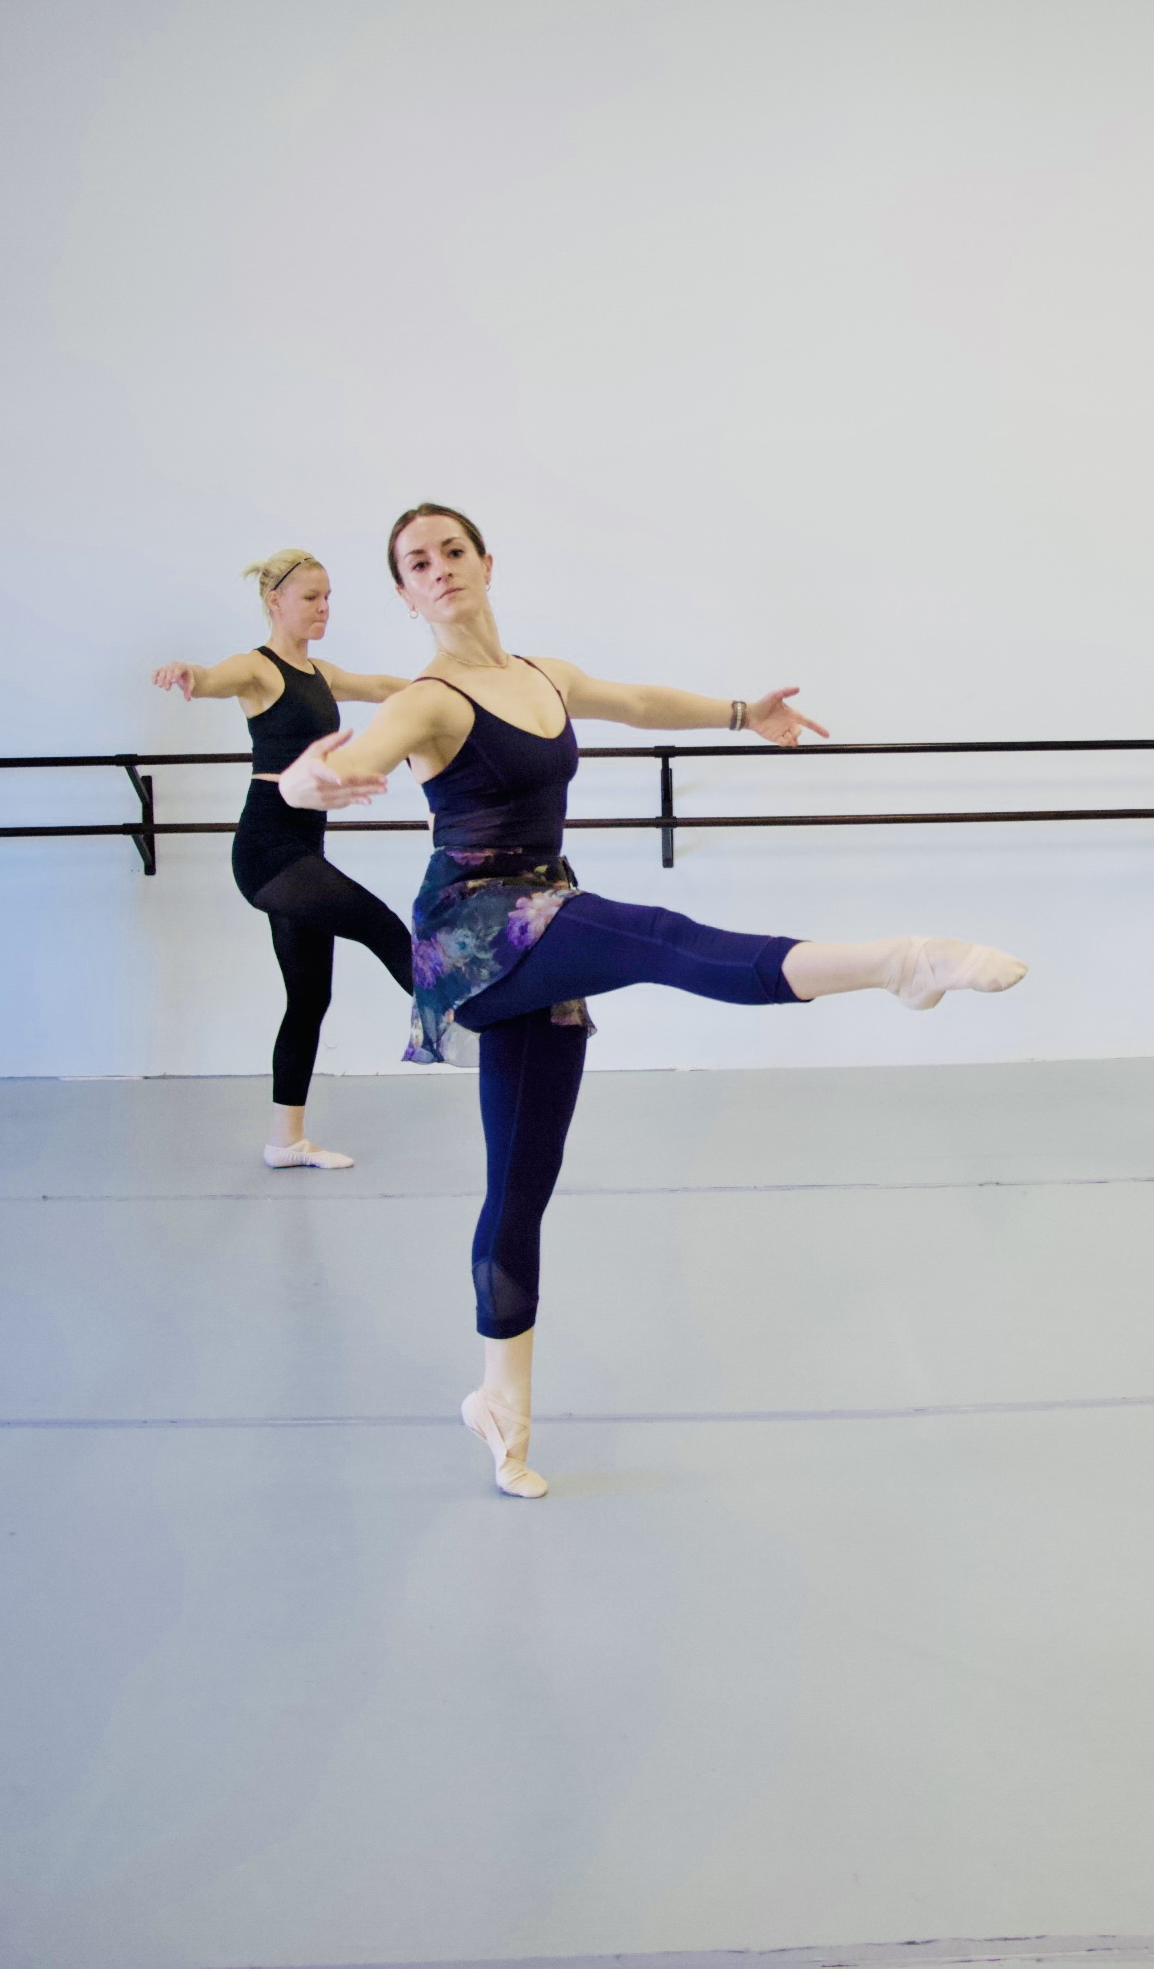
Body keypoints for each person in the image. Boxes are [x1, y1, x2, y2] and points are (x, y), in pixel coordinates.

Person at [277, 505, 1027, 1496]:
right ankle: (901, 963)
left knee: (520, 1180)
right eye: (418, 563)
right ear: (407, 593)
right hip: (479, 925)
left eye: (452, 550)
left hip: (544, 907)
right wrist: (301, 781)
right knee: (664, 939)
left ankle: (501, 1403)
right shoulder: (427, 698)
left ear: (486, 561)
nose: (440, 569)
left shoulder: (543, 675)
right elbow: (351, 763)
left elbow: (635, 699)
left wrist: (737, 713)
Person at [153, 548, 417, 1171]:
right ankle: (471, 1017)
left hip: (305, 848)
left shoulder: (320, 672)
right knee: (380, 925)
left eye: (328, 597)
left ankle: (285, 1141)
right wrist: (189, 672)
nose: (323, 608)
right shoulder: (258, 668)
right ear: (275, 602)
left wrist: (452, 690)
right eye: (310, 598)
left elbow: (382, 687)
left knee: (308, 997)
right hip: (269, 852)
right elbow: (216, 678)